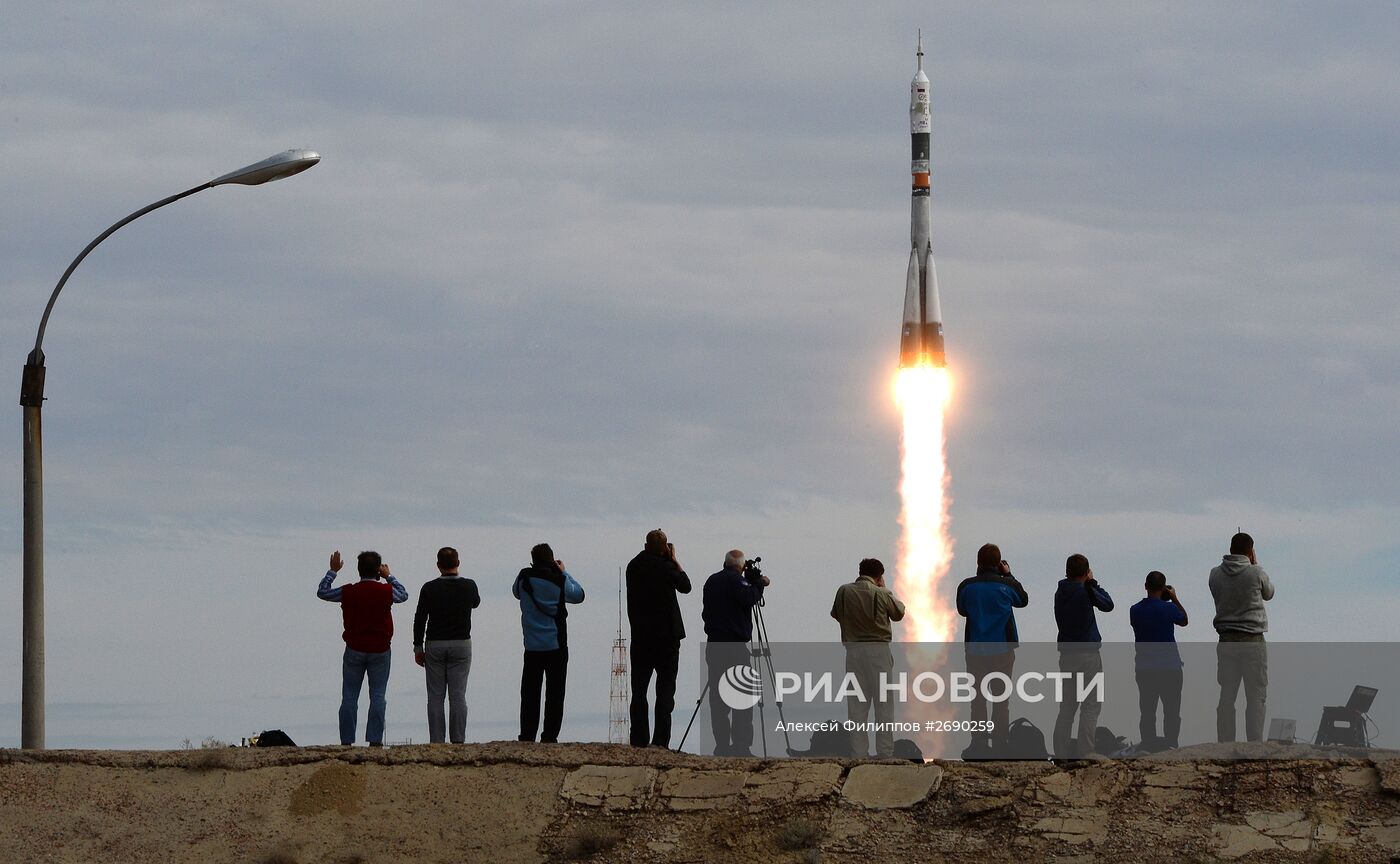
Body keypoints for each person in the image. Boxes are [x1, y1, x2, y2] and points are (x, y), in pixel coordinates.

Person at [317, 550, 409, 747]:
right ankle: (375, 740)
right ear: (378, 569)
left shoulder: (349, 591)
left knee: (349, 696)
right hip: (380, 649)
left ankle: (347, 740)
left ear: (359, 570)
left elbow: (323, 592)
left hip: (354, 648)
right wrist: (389, 576)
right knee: (378, 696)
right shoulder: (385, 591)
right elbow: (403, 595)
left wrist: (332, 571)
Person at [955, 543, 1029, 755]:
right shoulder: (1006, 586)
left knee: (977, 699)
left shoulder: (966, 587)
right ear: (998, 563)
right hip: (1003, 650)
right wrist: (1009, 575)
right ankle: (1000, 743)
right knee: (1000, 699)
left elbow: (962, 610)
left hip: (975, 649)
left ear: (978, 562)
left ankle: (978, 742)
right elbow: (1023, 600)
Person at [830, 558, 906, 758]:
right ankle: (885, 751)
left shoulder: (844, 591)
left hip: (853, 652)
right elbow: (899, 612)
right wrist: (884, 589)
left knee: (856, 705)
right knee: (883, 704)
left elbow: (836, 614)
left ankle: (859, 752)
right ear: (879, 576)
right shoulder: (882, 593)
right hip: (878, 651)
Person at [626, 529, 692, 748]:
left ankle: (639, 739)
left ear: (645, 546)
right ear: (665, 547)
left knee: (639, 691)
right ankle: (660, 741)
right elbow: (685, 586)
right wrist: (674, 560)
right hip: (667, 638)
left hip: (642, 637)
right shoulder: (667, 567)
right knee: (665, 692)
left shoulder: (633, 566)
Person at [513, 543, 585, 743]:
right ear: (552, 561)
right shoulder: (559, 581)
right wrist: (564, 572)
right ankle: (549, 736)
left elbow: (515, 593)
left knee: (529, 693)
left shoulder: (523, 578)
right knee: (555, 693)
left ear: (533, 560)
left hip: (532, 646)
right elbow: (579, 595)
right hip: (556, 645)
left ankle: (527, 735)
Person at [702, 549, 769, 756]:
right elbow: (749, 598)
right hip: (735, 646)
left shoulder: (711, 581)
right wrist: (759, 583)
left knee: (718, 699)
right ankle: (741, 745)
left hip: (714, 646)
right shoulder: (736, 581)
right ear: (740, 566)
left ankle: (721, 745)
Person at [1209, 532, 1274, 743]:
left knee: (1227, 694)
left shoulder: (1215, 574)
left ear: (1230, 549)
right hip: (1252, 640)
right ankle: (1254, 743)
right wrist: (1255, 563)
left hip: (1226, 640)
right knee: (1255, 695)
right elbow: (1269, 593)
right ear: (1250, 550)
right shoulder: (1255, 573)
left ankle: (1225, 742)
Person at [412, 546, 481, 744]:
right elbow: (476, 603)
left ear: (438, 565)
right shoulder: (469, 585)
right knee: (458, 695)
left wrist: (418, 646)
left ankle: (436, 740)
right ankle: (458, 739)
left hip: (435, 643)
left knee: (435, 696)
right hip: (461, 643)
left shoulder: (429, 588)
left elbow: (420, 618)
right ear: (458, 563)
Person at [1052, 554, 1114, 758]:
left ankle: (1061, 752)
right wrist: (1093, 583)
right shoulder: (1086, 591)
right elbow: (1108, 604)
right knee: (1091, 704)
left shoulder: (1060, 592)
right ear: (1085, 572)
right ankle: (1086, 751)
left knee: (1067, 706)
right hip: (1088, 653)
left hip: (1066, 655)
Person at [1129, 570, 1188, 750]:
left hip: (1145, 668)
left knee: (1147, 711)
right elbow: (1184, 620)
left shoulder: (1135, 610)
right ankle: (1171, 744)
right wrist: (1174, 598)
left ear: (1146, 586)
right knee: (1171, 711)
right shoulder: (1169, 608)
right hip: (1170, 668)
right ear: (1163, 588)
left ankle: (1149, 744)